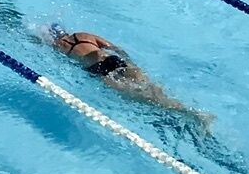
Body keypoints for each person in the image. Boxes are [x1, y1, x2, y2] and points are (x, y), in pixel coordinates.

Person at [47, 26, 213, 128]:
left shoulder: (58, 46)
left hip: (98, 70)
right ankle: (193, 111)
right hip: (113, 60)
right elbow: (114, 47)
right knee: (151, 86)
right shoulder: (83, 35)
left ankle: (184, 113)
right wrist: (129, 63)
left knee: (140, 97)